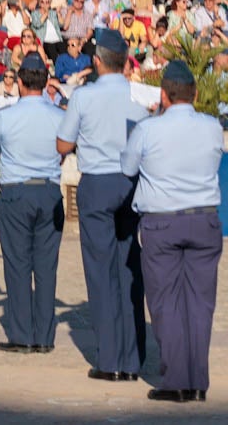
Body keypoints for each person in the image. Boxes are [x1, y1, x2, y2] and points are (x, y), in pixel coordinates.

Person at [122, 60, 224, 403]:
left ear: (163, 95)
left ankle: (176, 380)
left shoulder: (149, 129)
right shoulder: (211, 126)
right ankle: (197, 382)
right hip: (204, 219)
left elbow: (127, 167)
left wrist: (153, 119)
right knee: (200, 303)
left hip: (162, 220)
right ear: (194, 93)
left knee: (165, 302)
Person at [56, 28, 149, 382]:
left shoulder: (84, 96)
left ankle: (109, 359)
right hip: (131, 182)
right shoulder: (140, 94)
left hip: (96, 182)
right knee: (130, 270)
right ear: (125, 62)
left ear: (96, 61)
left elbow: (63, 145)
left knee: (100, 272)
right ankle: (132, 358)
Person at [0, 52, 65, 354]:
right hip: (49, 190)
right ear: (45, 83)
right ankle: (44, 336)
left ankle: (21, 335)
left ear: (18, 83)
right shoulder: (58, 116)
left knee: (17, 265)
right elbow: (65, 149)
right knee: (46, 266)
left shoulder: (5, 117)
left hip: (16, 192)